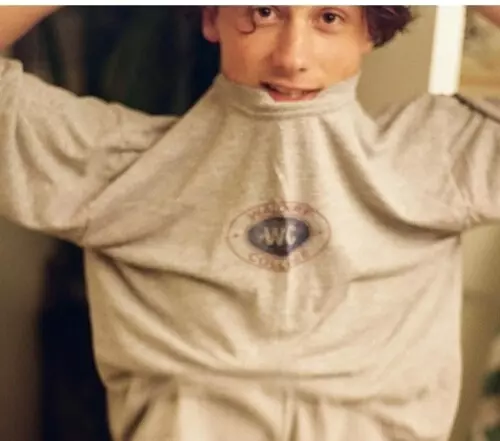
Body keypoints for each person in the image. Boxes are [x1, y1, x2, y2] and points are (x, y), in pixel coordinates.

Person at [1, 5, 500, 441]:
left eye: (329, 17)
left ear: (369, 30)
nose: (291, 57)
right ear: (212, 16)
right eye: (264, 12)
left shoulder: (436, 159)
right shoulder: (119, 164)